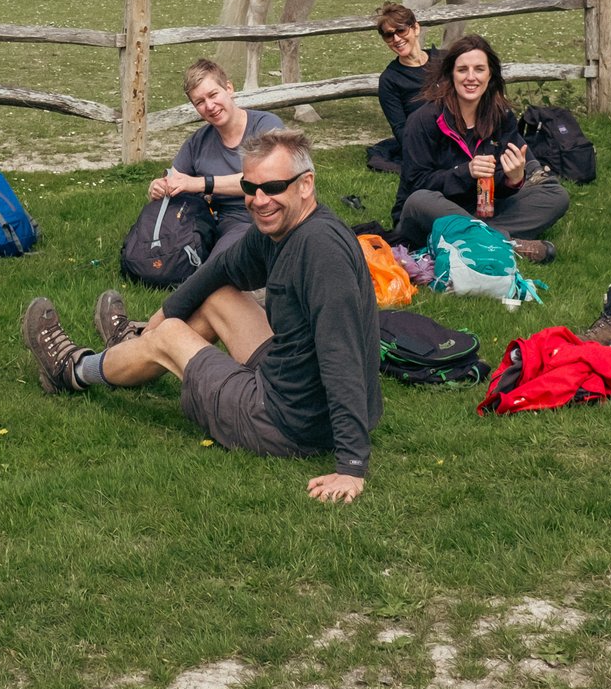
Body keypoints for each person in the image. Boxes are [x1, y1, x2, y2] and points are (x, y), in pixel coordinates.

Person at [22, 129, 381, 505]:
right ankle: (137, 346)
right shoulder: (284, 228)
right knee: (217, 298)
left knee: (172, 336)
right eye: (249, 186)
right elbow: (220, 269)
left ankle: (72, 370)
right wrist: (159, 316)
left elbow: (342, 354)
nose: (259, 200)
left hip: (285, 422)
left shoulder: (320, 250)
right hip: (298, 390)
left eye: (273, 187)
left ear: (305, 185)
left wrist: (351, 465)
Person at [391, 35, 567, 263]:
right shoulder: (424, 120)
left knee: (556, 195)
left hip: (482, 209)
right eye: (462, 70)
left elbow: (504, 180)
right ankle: (505, 243)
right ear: (450, 75)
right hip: (432, 215)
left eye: (479, 69)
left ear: (490, 75)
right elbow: (416, 183)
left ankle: (483, 240)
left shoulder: (501, 117)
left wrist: (513, 179)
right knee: (420, 200)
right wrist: (466, 172)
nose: (471, 77)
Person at [147, 58, 283, 262]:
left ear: (229, 88)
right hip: (225, 223)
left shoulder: (266, 125)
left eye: (213, 95)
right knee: (208, 269)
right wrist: (158, 187)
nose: (209, 106)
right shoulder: (198, 142)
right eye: (200, 102)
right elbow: (173, 178)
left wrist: (200, 183)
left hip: (270, 214)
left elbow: (263, 181)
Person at [366, 2, 441, 173]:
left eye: (401, 30)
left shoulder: (444, 60)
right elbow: (401, 129)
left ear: (415, 28)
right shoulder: (390, 80)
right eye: (388, 35)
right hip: (425, 142)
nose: (396, 39)